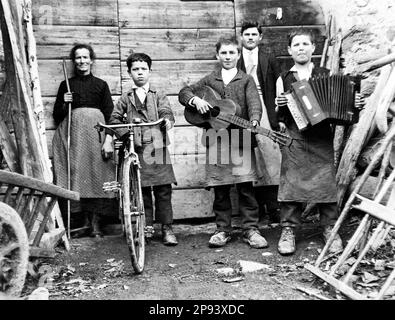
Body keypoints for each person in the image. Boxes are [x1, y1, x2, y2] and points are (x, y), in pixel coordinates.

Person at [275, 28, 364, 255]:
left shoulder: (325, 75)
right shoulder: (283, 78)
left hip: (321, 136)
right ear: (289, 50)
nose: (301, 48)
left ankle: (329, 228)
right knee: (290, 182)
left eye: (305, 44)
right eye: (296, 45)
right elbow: (279, 115)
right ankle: (288, 229)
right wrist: (280, 105)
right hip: (294, 137)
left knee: (325, 183)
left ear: (313, 48)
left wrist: (355, 104)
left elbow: (342, 108)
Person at [178, 36, 268, 249]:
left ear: (238, 55)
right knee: (221, 187)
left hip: (241, 138)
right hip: (216, 139)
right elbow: (184, 93)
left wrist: (254, 119)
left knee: (245, 186)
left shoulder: (246, 79)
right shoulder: (209, 80)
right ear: (217, 55)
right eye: (224, 53)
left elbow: (254, 103)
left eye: (232, 53)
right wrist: (196, 100)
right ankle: (222, 229)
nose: (228, 56)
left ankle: (250, 229)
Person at [102, 53, 178, 246]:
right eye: (135, 69)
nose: (140, 73)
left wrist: (167, 120)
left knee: (163, 190)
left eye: (143, 69)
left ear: (150, 71)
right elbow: (114, 119)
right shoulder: (125, 98)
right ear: (129, 73)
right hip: (136, 147)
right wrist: (125, 134)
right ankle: (147, 229)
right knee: (142, 191)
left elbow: (166, 111)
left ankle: (167, 229)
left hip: (157, 147)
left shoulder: (157, 94)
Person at [52, 44, 116, 238]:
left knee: (98, 174)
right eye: (78, 58)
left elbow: (110, 114)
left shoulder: (101, 85)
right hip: (76, 137)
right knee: (78, 175)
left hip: (96, 136)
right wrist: (65, 102)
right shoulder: (67, 85)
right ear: (74, 61)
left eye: (85, 57)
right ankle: (84, 223)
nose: (82, 61)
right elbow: (57, 115)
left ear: (91, 60)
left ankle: (96, 223)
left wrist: (109, 138)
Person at [237, 20, 282, 223]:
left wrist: (278, 115)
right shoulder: (235, 58)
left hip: (265, 106)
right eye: (247, 34)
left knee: (270, 156)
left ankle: (274, 208)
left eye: (254, 34)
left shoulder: (268, 57)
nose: (250, 38)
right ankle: (255, 211)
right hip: (244, 109)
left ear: (260, 37)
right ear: (241, 37)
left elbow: (279, 85)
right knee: (250, 155)